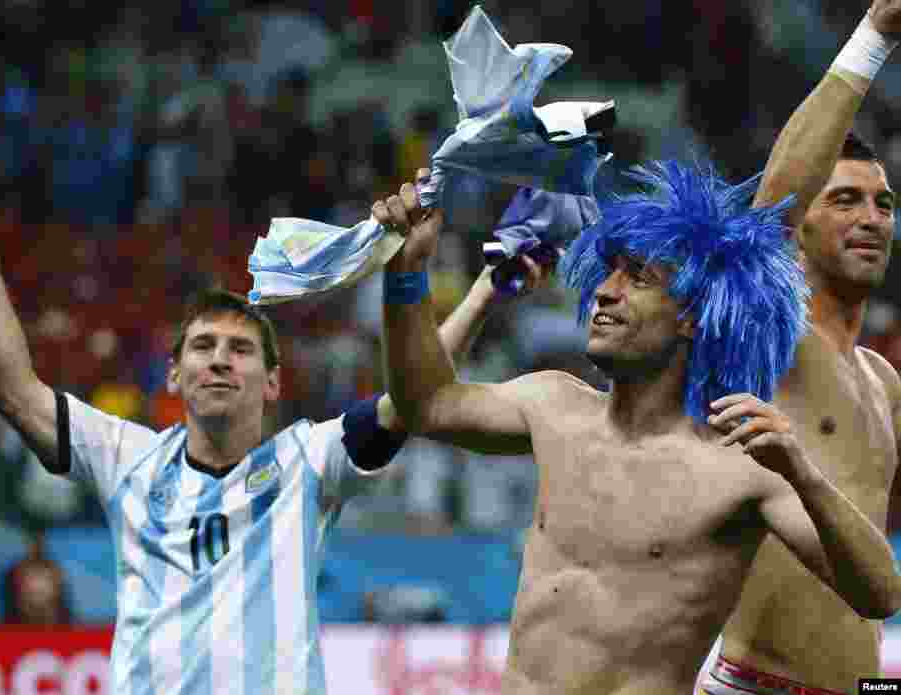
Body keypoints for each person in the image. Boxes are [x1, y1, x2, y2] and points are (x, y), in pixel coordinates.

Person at [0, 159, 549, 695]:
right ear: (172, 376)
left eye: (241, 349)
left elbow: (415, 395)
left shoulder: (307, 461)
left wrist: (486, 289)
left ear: (273, 383)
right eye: (203, 346)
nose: (220, 358)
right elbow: (14, 393)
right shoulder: (125, 457)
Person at [373, 164, 901, 695]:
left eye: (638, 276)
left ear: (692, 316)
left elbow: (879, 595)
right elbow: (427, 405)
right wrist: (406, 273)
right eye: (609, 272)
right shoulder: (553, 405)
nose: (604, 291)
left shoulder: (739, 469)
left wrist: (805, 475)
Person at [697, 2, 901, 692]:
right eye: (844, 200)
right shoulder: (774, 339)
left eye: (884, 204)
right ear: (801, 230)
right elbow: (771, 207)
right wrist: (876, 35)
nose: (871, 218)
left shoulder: (882, 377)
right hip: (762, 682)